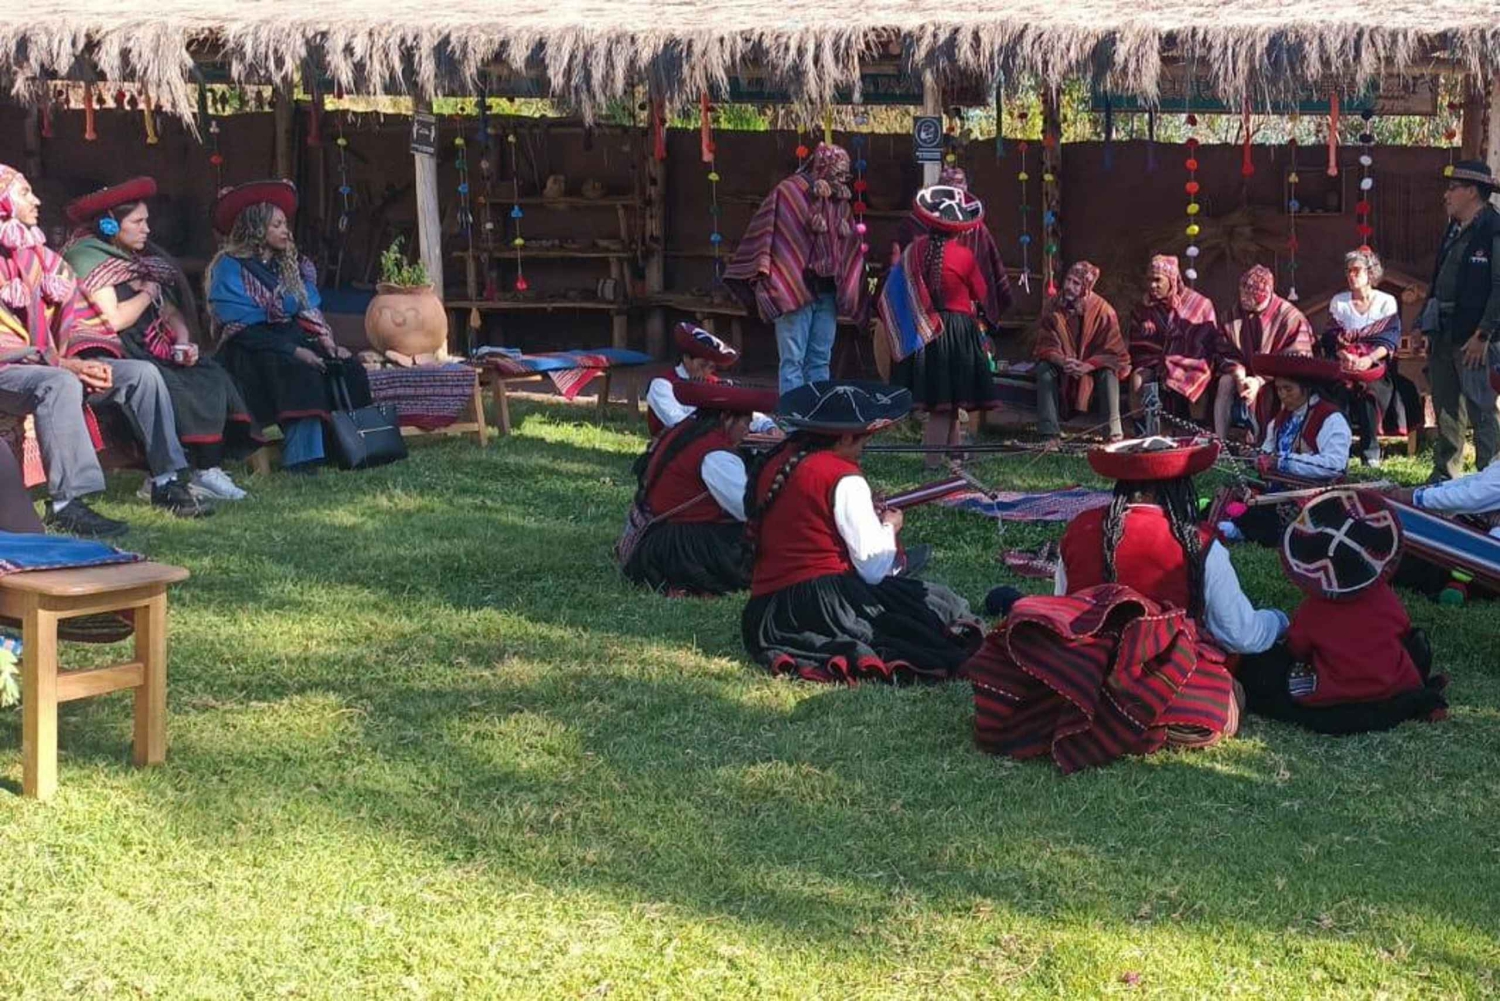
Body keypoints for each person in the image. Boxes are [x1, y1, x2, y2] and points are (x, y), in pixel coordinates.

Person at [966, 437, 1285, 771]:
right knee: (1227, 698)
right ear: (1181, 488)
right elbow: (1240, 635)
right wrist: (1278, 620)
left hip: (1081, 684)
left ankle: (1097, 715)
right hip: (1163, 687)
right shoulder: (1200, 544)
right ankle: (1148, 720)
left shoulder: (1080, 530)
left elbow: (1063, 616)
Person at [0, 164, 205, 537]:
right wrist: (64, 365)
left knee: (140, 374)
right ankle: (67, 503)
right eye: (26, 193)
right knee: (58, 384)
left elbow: (78, 319)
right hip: (11, 370)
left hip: (54, 361)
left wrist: (83, 360)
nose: (38, 199)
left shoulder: (45, 262)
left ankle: (166, 480)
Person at [741, 380, 982, 683]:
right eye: (861, 441)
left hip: (768, 613)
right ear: (843, 437)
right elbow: (873, 567)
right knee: (929, 609)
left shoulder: (776, 458)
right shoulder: (843, 477)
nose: (863, 449)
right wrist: (889, 526)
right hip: (822, 605)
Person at [63, 177, 260, 501]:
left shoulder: (138, 259)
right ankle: (170, 475)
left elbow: (168, 311)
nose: (147, 229)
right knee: (173, 385)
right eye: (138, 222)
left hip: (153, 346)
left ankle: (206, 470)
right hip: (116, 350)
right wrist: (146, 294)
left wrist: (182, 339)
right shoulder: (89, 258)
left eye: (147, 221)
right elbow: (113, 320)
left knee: (210, 374)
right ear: (111, 224)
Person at [1235, 489, 1447, 734]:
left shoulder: (1313, 610)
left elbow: (1297, 647)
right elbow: (1403, 630)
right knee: (1416, 643)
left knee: (1261, 668)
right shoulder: (1386, 598)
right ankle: (1417, 698)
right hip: (1394, 684)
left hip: (1337, 693)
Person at [205, 180, 371, 473]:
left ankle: (350, 448)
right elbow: (238, 326)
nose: (286, 231)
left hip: (291, 339)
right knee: (297, 371)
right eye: (277, 225)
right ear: (257, 229)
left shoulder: (291, 265)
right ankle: (302, 459)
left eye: (285, 224)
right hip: (249, 348)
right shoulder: (228, 267)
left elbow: (307, 311)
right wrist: (295, 351)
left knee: (348, 368)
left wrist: (327, 343)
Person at [724, 144, 866, 393]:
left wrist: (849, 283)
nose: (843, 179)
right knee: (792, 362)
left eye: (846, 175)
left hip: (828, 293)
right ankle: (792, 424)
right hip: (795, 290)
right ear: (822, 167)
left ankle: (817, 421)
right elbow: (768, 235)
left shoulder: (839, 199)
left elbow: (848, 246)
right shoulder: (788, 193)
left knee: (820, 361)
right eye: (838, 173)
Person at [881, 184, 1000, 467]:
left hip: (926, 331)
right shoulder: (964, 257)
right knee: (945, 402)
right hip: (957, 331)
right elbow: (981, 293)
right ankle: (932, 462)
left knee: (945, 398)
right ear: (958, 229)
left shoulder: (914, 251)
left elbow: (892, 289)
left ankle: (955, 455)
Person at [620, 382, 777, 595]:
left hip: (659, 537)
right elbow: (747, 510)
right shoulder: (716, 454)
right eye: (745, 423)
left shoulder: (686, 429)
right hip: (676, 547)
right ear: (726, 418)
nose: (747, 431)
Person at [1420, 159, 1500, 483]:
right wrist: (1428, 324)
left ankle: (1490, 481)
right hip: (1445, 332)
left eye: (1453, 188)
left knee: (1482, 410)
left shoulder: (1494, 229)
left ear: (1472, 191)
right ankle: (1445, 477)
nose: (1446, 195)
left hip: (1476, 338)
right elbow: (1440, 280)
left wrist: (1484, 334)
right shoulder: (1454, 228)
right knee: (1447, 409)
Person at [1219, 354, 1352, 546]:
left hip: (1314, 496)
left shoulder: (1331, 418)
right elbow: (1267, 451)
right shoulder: (1280, 420)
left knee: (1275, 515)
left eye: (1288, 389)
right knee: (1233, 490)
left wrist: (1283, 461)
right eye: (1279, 389)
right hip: (1278, 489)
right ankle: (1237, 525)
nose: (1282, 395)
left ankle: (1244, 530)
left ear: (1306, 389)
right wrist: (1256, 457)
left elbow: (1335, 467)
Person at [890, 166, 1012, 326]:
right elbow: (982, 290)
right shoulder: (967, 252)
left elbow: (896, 273)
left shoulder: (916, 247)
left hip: (922, 323)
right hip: (960, 324)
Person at [1032, 260, 1129, 444]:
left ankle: (1113, 435)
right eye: (1068, 280)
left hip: (1092, 369)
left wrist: (1088, 365)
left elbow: (1115, 353)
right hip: (1064, 366)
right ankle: (1049, 435)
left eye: (1076, 283)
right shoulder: (1053, 306)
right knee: (1044, 369)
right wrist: (1063, 361)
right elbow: (1045, 344)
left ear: (1086, 287)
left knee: (1109, 374)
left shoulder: (1104, 311)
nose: (1069, 287)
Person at [1321, 248, 1402, 468]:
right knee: (1339, 390)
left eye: (1356, 270)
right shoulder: (1339, 302)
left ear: (1370, 272)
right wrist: (1344, 354)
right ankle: (1339, 452)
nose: (1351, 275)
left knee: (1369, 390)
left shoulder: (1386, 302)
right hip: (1343, 363)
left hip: (1374, 364)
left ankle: (1371, 454)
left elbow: (1389, 338)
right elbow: (1330, 336)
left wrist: (1368, 359)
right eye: (1348, 271)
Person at [1213, 264, 1313, 442]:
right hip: (1245, 374)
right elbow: (1224, 349)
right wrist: (1238, 374)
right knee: (1224, 382)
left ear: (1263, 295)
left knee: (1287, 385)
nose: (1243, 299)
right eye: (1241, 293)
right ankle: (1220, 443)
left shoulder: (1290, 318)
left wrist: (1259, 380)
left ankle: (1281, 440)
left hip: (1278, 373)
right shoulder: (1233, 315)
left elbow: (1297, 360)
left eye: (1249, 296)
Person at [1127, 255, 1218, 431]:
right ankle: (1142, 431)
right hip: (1154, 361)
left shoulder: (1198, 303)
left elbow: (1206, 341)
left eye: (1157, 280)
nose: (1152, 285)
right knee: (1137, 380)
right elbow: (1139, 345)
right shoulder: (1143, 308)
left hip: (1191, 359)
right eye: (1149, 280)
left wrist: (1175, 359)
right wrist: (1161, 362)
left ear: (1172, 279)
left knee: (1198, 378)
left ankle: (1196, 430)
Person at [644, 321, 775, 438]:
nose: (707, 371)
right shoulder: (662, 385)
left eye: (711, 366)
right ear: (686, 359)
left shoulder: (715, 384)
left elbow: (743, 409)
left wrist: (768, 427)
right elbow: (678, 424)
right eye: (702, 364)